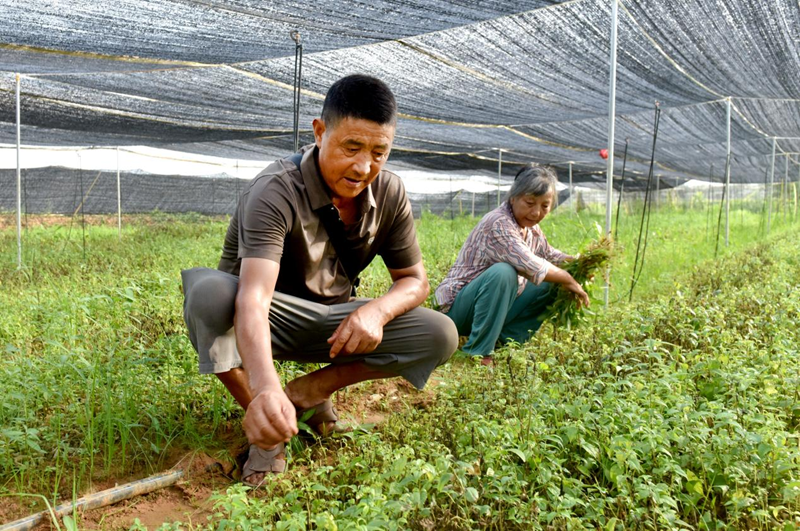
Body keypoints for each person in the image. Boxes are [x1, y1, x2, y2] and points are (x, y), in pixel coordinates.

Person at [181, 74, 458, 486]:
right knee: (209, 295)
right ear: (319, 131)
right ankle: (268, 426)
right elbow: (253, 300)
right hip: (267, 319)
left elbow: (415, 281)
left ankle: (309, 392)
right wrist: (264, 390)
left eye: (379, 152)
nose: (364, 166)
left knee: (440, 332)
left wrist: (376, 313)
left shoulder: (391, 193)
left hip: (335, 325)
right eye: (352, 147)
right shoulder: (274, 190)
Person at [434, 164, 589, 365]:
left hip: (494, 308)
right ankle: (478, 352)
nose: (536, 213)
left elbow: (549, 255)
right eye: (530, 202)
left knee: (552, 281)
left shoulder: (531, 229)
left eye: (544, 206)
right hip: (458, 311)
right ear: (513, 197)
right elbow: (530, 263)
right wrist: (568, 278)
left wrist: (579, 263)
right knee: (503, 272)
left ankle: (506, 342)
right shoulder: (498, 223)